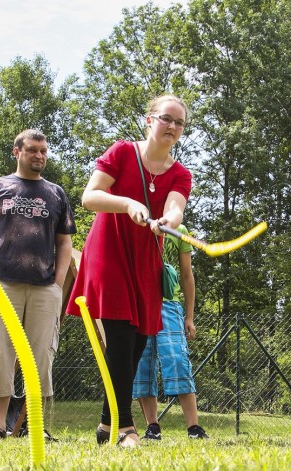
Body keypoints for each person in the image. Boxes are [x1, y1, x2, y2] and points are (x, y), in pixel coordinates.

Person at [66, 94, 191, 447]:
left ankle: (106, 423)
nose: (172, 127)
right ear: (149, 120)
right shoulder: (122, 152)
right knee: (120, 339)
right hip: (108, 252)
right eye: (166, 118)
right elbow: (90, 197)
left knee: (134, 347)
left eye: (179, 123)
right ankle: (125, 429)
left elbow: (175, 207)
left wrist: (168, 221)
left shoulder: (180, 173)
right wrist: (128, 204)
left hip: (145, 261)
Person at [0, 129, 77, 441]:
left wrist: (57, 284)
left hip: (44, 289)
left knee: (41, 358)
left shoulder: (55, 193)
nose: (39, 156)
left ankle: (36, 427)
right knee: (0, 355)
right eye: (32, 150)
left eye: (43, 151)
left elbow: (64, 242)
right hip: (4, 285)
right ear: (17, 152)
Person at [133, 224, 209, 440]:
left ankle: (194, 428)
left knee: (177, 361)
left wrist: (189, 316)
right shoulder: (137, 223)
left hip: (169, 306)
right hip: (141, 306)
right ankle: (152, 427)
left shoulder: (179, 230)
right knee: (142, 366)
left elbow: (187, 275)